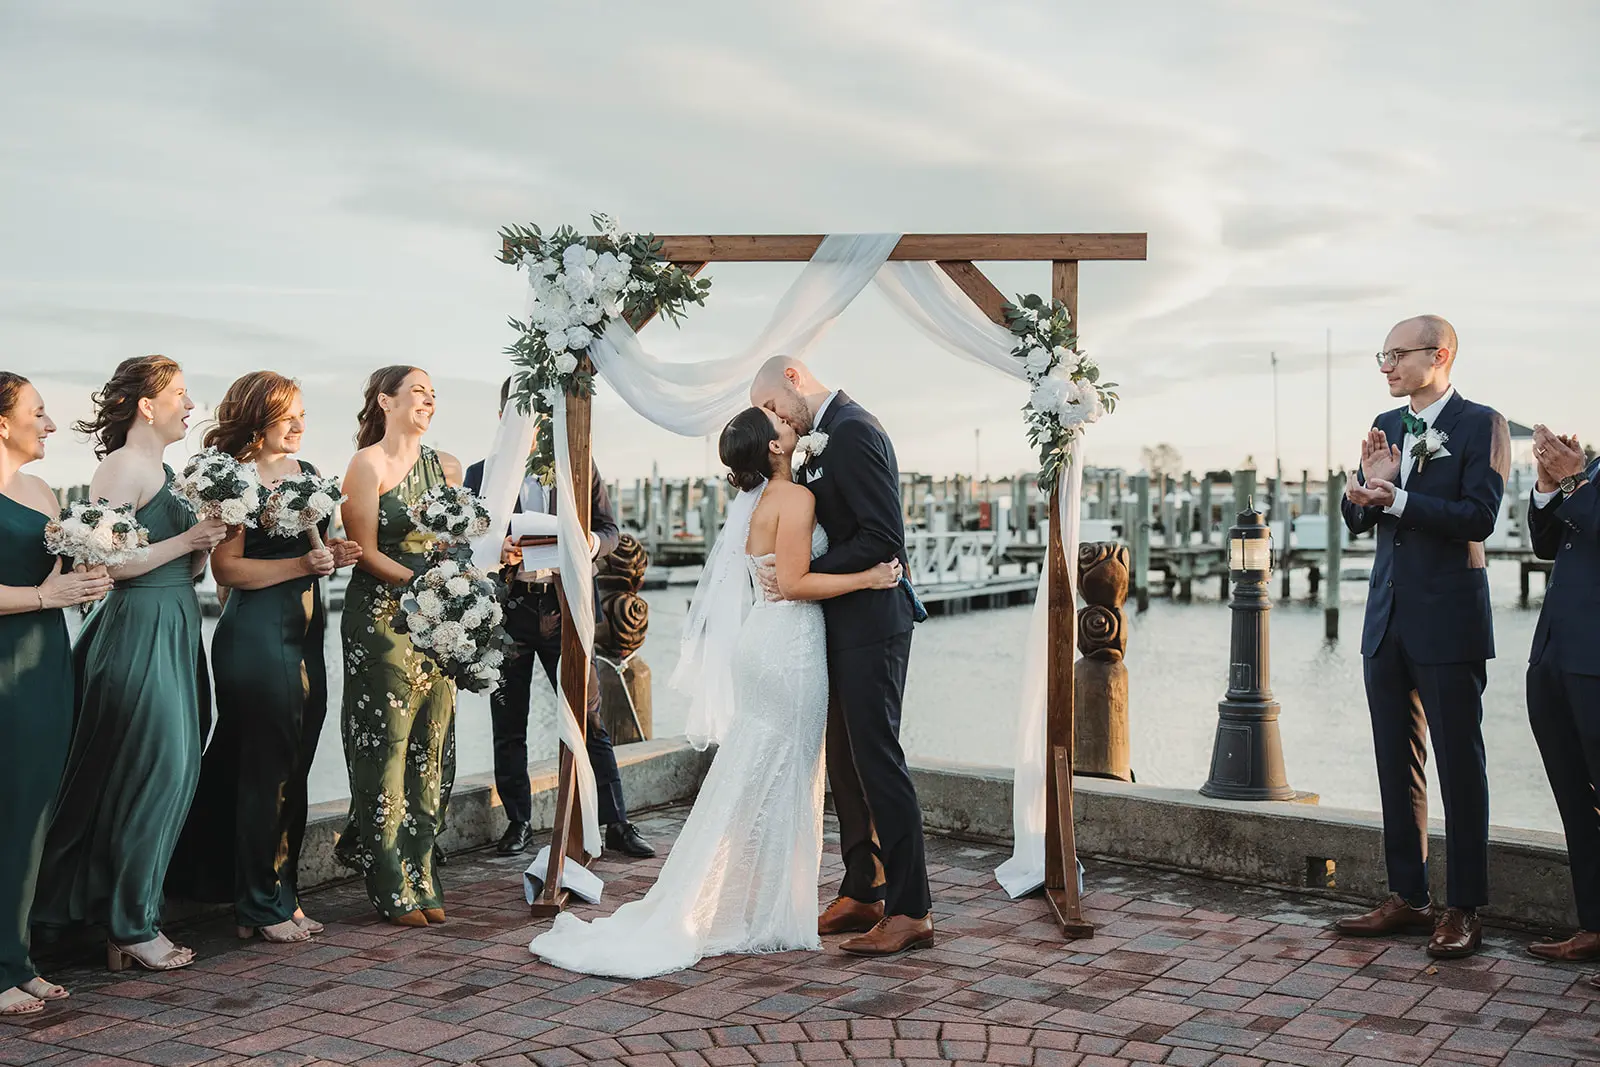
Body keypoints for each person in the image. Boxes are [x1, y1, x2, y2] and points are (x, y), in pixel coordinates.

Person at [528, 406, 901, 977]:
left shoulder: (756, 501)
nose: (787, 424)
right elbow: (797, 583)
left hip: (763, 643)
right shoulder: (796, 500)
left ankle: (745, 901)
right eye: (777, 425)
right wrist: (869, 576)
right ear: (773, 449)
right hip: (791, 646)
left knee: (754, 774)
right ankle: (767, 913)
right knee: (786, 776)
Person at [36, 355, 229, 971]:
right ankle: (128, 923)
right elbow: (107, 565)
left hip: (174, 620)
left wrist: (203, 546)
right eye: (181, 394)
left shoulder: (166, 470)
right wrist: (185, 541)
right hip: (136, 626)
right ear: (149, 405)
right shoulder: (120, 467)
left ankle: (127, 915)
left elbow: (181, 564)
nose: (191, 404)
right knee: (159, 769)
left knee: (174, 766)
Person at [1334, 316, 1509, 959]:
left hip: (1449, 619)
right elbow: (1358, 518)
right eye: (1382, 355)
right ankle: (1407, 897)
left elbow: (1480, 517)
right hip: (1386, 619)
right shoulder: (1389, 426)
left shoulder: (1480, 424)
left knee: (1461, 766)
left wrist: (1400, 497)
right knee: (1394, 762)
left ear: (1438, 356)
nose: (1386, 365)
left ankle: (1463, 908)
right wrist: (1359, 494)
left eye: (1396, 354)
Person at [167, 372, 360, 943]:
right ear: (258, 417)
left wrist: (335, 556)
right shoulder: (236, 480)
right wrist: (304, 566)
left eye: (302, 413)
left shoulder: (310, 476)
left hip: (306, 635)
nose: (300, 424)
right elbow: (228, 571)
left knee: (294, 768)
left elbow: (314, 555)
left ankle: (283, 894)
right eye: (287, 414)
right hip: (255, 636)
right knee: (264, 772)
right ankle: (257, 905)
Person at [749, 356, 932, 957]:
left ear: (795, 378)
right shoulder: (818, 440)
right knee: (846, 763)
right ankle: (863, 889)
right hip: (835, 623)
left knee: (878, 759)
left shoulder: (855, 430)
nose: (777, 420)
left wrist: (801, 575)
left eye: (775, 406)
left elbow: (882, 538)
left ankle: (912, 910)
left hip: (874, 622)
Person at [463, 378, 653, 860]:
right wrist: (494, 549)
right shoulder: (480, 475)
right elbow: (466, 544)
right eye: (519, 409)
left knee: (589, 717)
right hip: (508, 612)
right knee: (509, 722)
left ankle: (617, 822)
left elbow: (608, 530)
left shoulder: (576, 465)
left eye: (540, 409)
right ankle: (519, 822)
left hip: (564, 608)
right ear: (503, 413)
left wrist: (590, 544)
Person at [0, 374, 113, 1015]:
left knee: (33, 809)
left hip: (45, 662)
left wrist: (92, 566)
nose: (48, 426)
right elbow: (43, 589)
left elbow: (62, 573)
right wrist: (46, 597)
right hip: (5, 663)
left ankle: (15, 958)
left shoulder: (42, 491)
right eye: (37, 414)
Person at [338, 365, 462, 926]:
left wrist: (462, 589)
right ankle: (386, 876)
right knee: (385, 744)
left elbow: (454, 544)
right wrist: (423, 586)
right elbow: (361, 550)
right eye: (418, 391)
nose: (428, 400)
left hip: (438, 621)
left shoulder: (449, 468)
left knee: (432, 743)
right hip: (382, 618)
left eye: (434, 394)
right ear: (385, 401)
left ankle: (422, 870)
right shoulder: (367, 465)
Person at [1522, 424, 1600, 964]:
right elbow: (1549, 543)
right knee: (1576, 801)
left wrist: (1573, 483)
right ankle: (1594, 925)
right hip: (1555, 656)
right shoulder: (1593, 466)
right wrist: (1550, 486)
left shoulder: (1587, 475)